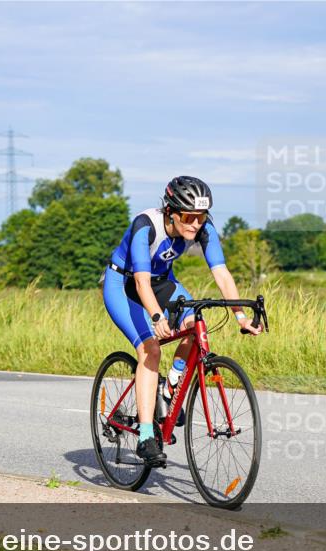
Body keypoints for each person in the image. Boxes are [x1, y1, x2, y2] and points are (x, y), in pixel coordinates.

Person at [102, 175, 262, 467]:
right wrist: (156, 316)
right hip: (123, 285)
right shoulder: (145, 226)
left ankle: (169, 388)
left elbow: (222, 273)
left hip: (163, 282)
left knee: (194, 324)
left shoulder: (203, 228)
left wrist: (240, 314)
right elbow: (141, 282)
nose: (195, 224)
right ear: (170, 212)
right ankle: (146, 437)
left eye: (201, 217)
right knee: (151, 349)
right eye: (188, 217)